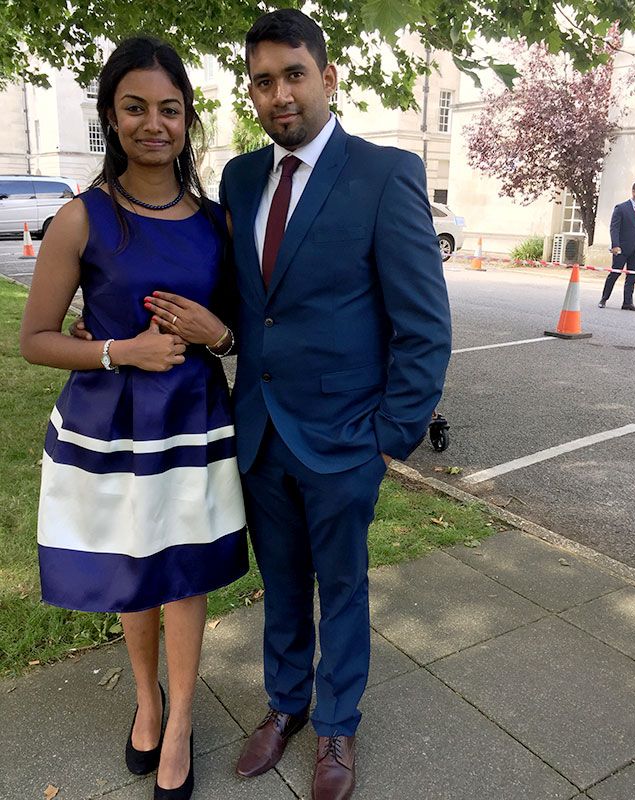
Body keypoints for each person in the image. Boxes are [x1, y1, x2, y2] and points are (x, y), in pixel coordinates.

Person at [88, 9, 450, 798]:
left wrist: (388, 440)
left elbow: (424, 329)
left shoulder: (385, 175)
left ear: (328, 77)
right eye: (262, 80)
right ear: (249, 92)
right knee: (281, 582)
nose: (279, 93)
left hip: (346, 438)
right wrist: (113, 316)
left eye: (294, 74)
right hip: (258, 430)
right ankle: (286, 706)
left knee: (343, 584)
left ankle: (337, 729)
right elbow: (240, 303)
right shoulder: (242, 178)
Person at [20, 36, 248, 800]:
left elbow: (245, 325)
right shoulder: (81, 218)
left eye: (170, 110)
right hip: (110, 422)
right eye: (136, 108)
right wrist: (119, 350)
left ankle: (180, 718)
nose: (155, 124)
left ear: (188, 120)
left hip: (192, 420)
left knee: (183, 574)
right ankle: (145, 699)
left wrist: (218, 335)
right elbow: (37, 340)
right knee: (133, 571)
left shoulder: (218, 224)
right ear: (111, 118)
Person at [599, 180, 635, 311]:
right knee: (615, 274)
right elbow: (614, 228)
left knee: (632, 276)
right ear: (634, 191)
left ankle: (627, 303)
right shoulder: (621, 208)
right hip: (621, 249)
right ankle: (604, 299)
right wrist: (615, 245)